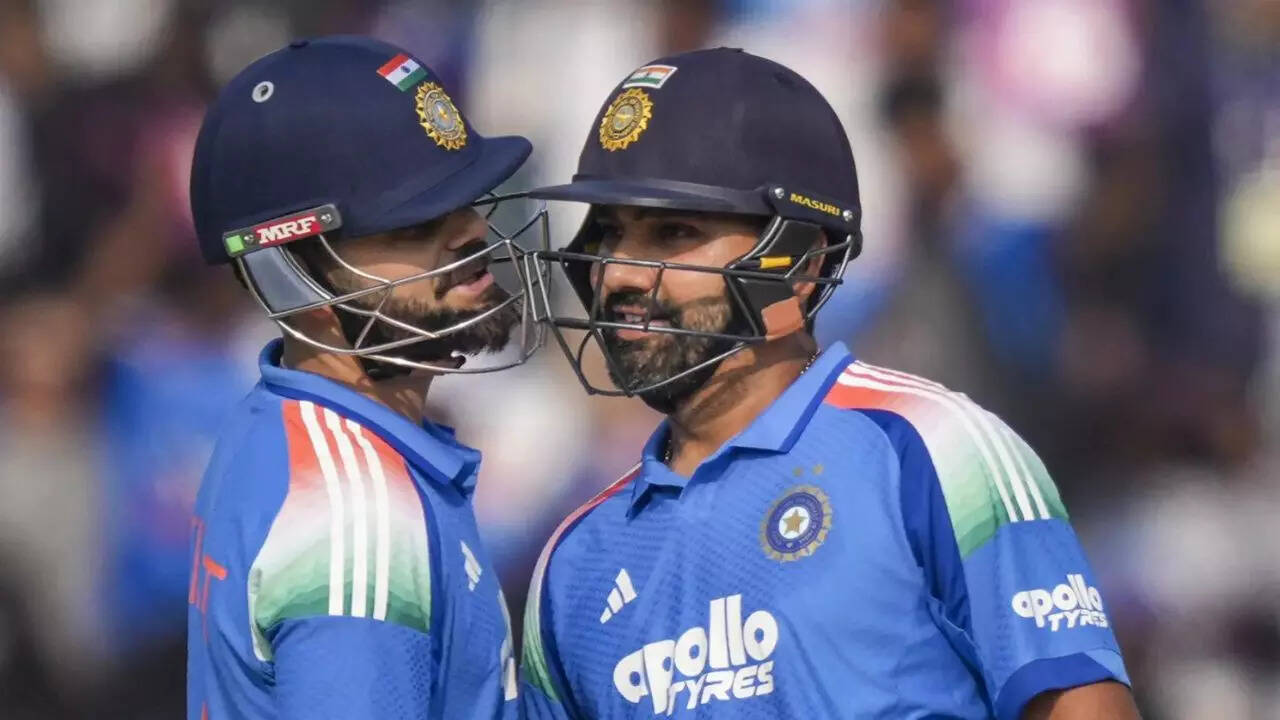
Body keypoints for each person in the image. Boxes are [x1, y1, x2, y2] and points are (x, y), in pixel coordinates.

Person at [520, 48, 1139, 719]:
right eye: (609, 235)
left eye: (673, 232)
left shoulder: (932, 451)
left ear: (799, 264)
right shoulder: (574, 560)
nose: (619, 274)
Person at [186, 36, 544, 720]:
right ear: (292, 279)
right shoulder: (357, 514)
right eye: (412, 223)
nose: (472, 231)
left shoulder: (276, 419)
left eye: (467, 199)